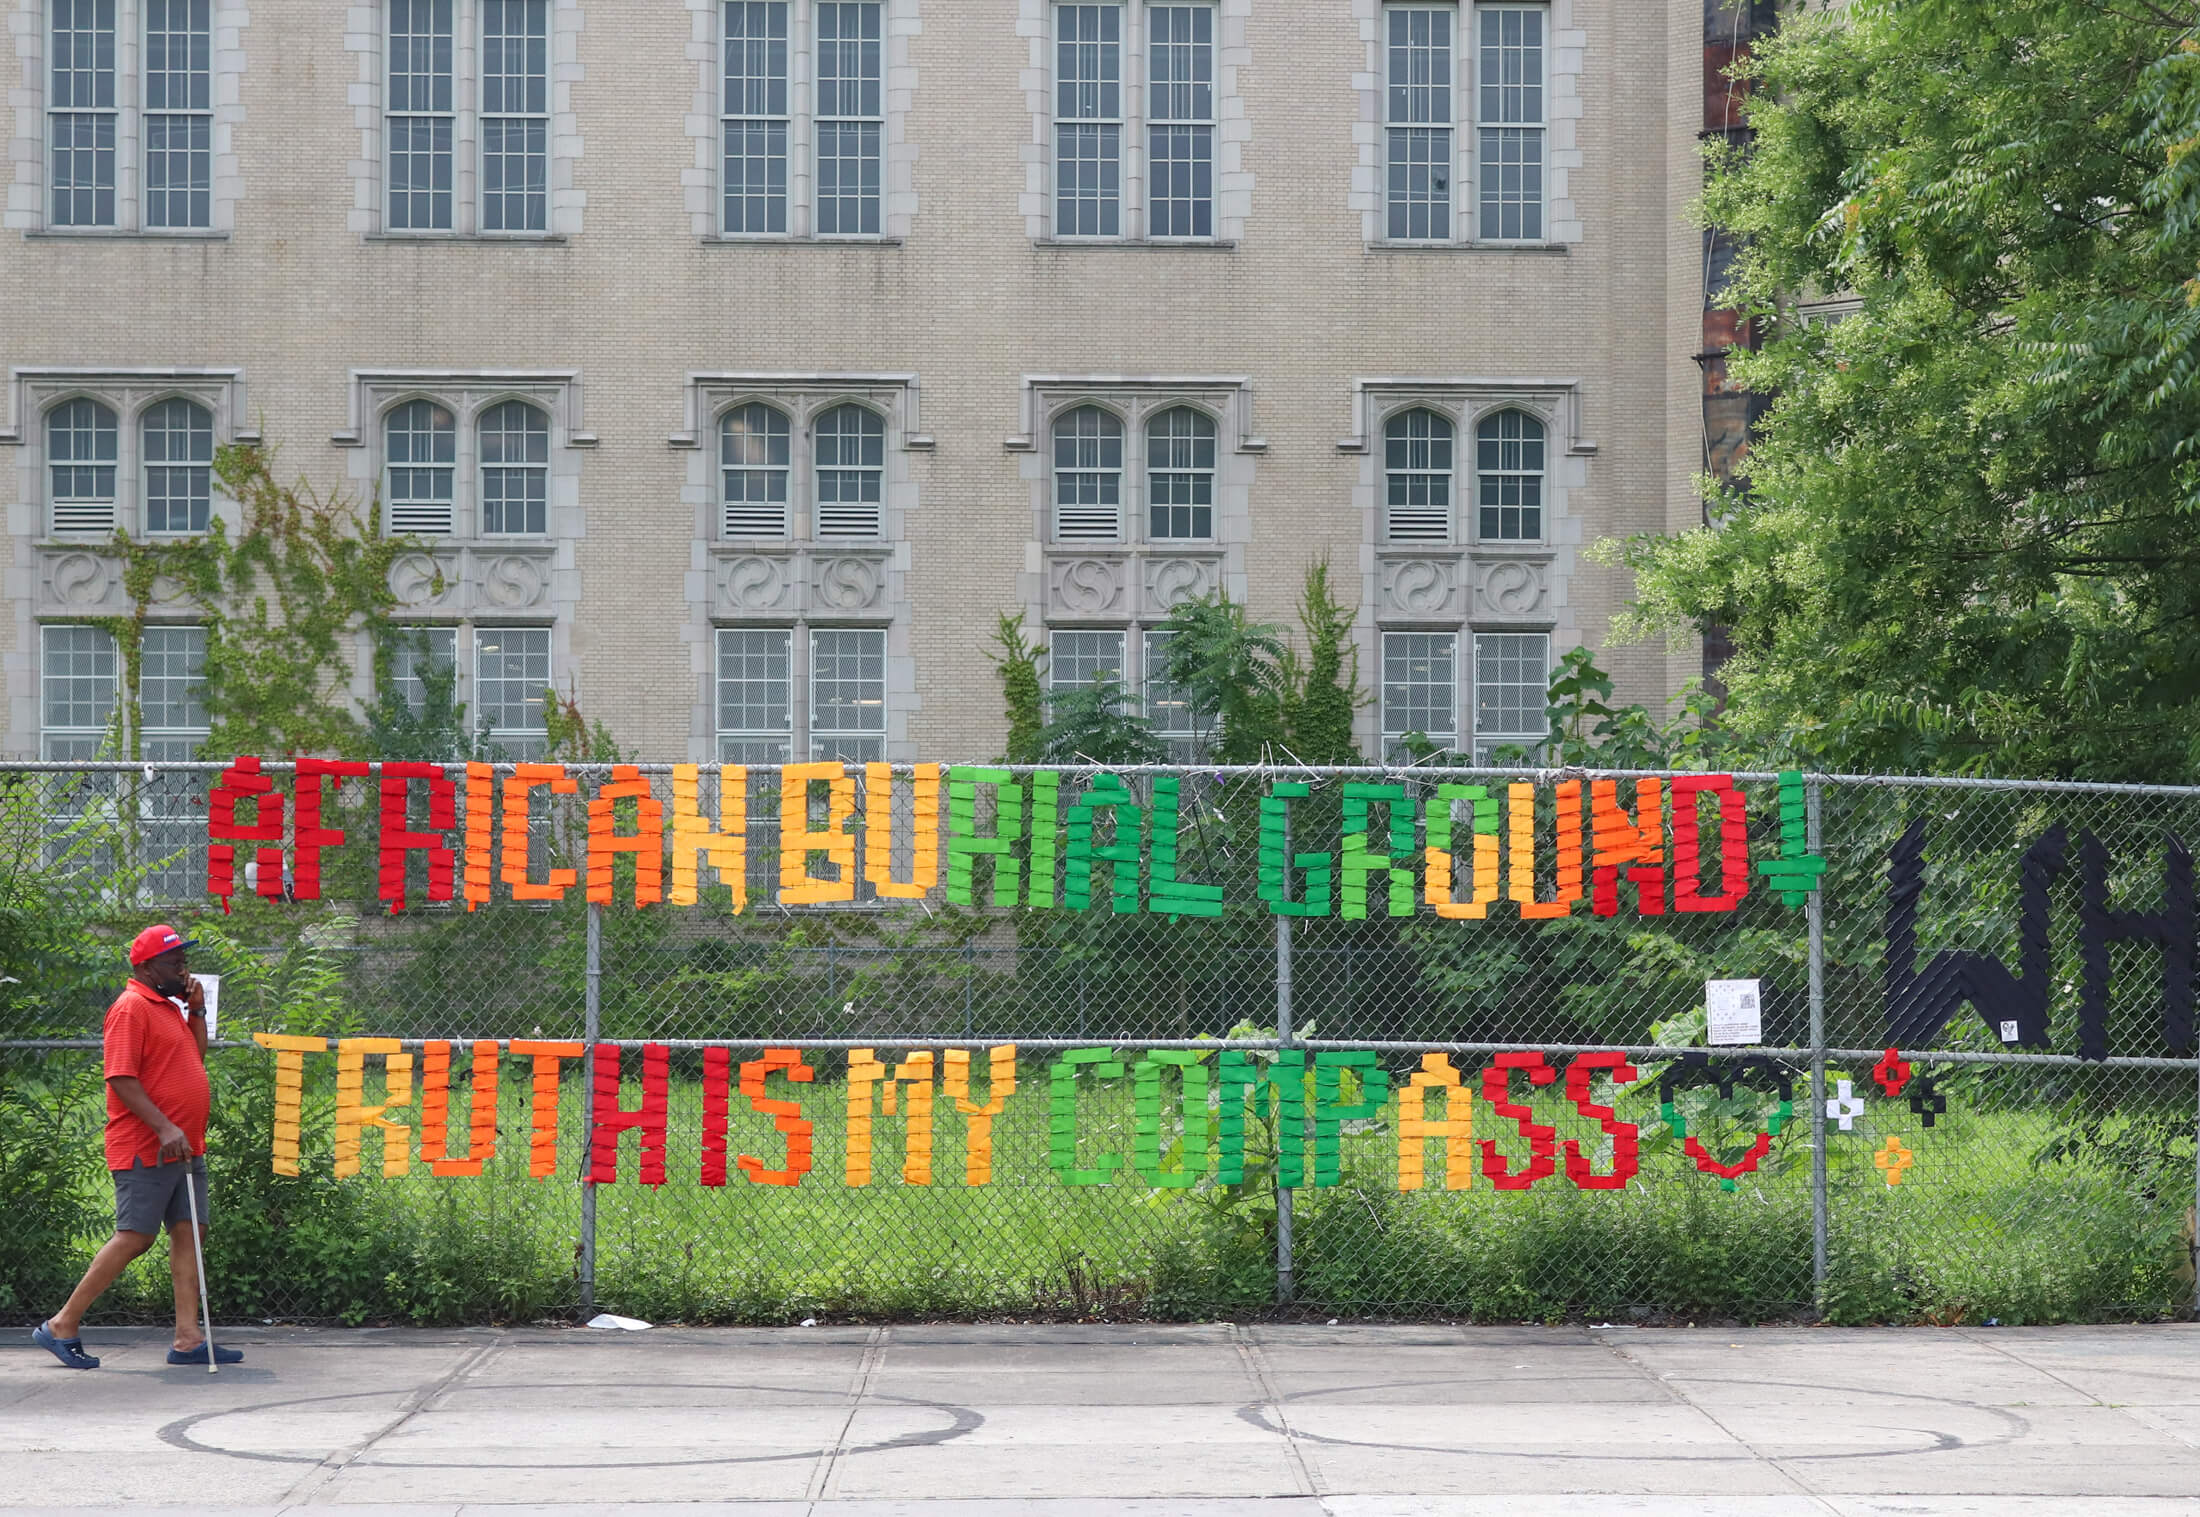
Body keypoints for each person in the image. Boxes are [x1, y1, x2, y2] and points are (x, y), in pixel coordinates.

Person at [31, 925, 243, 1369]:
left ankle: (187, 1338)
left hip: (186, 1144)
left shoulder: (168, 1007)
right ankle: (61, 1324)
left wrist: (197, 1011)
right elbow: (121, 1078)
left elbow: (194, 1058)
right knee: (135, 1237)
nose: (184, 970)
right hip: (148, 1145)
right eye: (175, 963)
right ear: (147, 967)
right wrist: (165, 1128)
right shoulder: (130, 1008)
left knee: (190, 1232)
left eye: (184, 961)